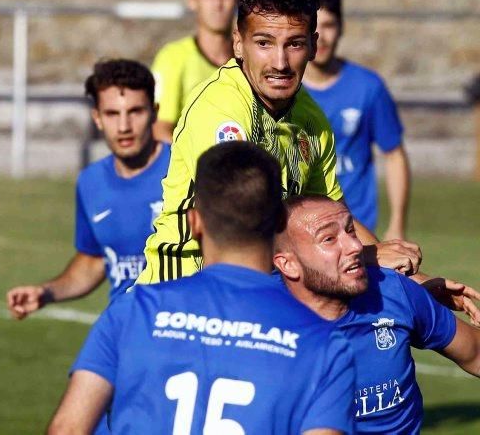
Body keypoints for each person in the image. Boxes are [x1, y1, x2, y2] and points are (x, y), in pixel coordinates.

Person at [136, 0, 421, 286]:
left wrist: (418, 283)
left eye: (295, 44)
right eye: (264, 43)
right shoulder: (222, 110)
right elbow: (241, 231)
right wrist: (366, 256)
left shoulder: (311, 119)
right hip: (182, 293)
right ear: (238, 43)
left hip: (254, 288)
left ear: (313, 45)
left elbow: (332, 215)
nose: (280, 63)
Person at [48, 142, 357, 435]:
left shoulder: (132, 311)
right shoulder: (325, 345)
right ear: (278, 221)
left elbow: (68, 428)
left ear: (194, 222)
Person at [274, 195, 480, 433]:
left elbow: (474, 352)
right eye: (329, 239)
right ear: (287, 264)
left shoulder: (393, 290)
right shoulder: (261, 323)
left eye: (351, 231)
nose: (356, 246)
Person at [6, 59, 169, 319]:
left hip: (178, 326)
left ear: (154, 112)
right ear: (97, 118)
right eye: (112, 114)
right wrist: (45, 292)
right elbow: (95, 261)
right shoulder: (91, 181)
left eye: (135, 111)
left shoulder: (185, 171)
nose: (124, 126)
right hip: (123, 324)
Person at [303, 0, 411, 239]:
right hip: (303, 230)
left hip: (357, 229)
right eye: (314, 26)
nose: (322, 36)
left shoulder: (368, 87)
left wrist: (396, 224)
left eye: (329, 25)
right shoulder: (284, 89)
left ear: (341, 28)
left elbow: (394, 155)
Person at [151, 0, 237, 143]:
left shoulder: (250, 58)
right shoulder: (172, 58)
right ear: (193, 1)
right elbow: (159, 131)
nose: (218, 4)